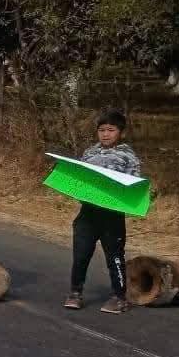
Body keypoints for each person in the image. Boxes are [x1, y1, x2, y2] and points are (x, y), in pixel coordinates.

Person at [64, 110, 141, 314]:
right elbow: (79, 178)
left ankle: (119, 297)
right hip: (87, 214)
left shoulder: (128, 156)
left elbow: (134, 186)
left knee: (114, 257)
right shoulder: (89, 152)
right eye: (101, 130)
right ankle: (75, 292)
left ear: (121, 133)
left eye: (111, 130)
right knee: (80, 255)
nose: (105, 134)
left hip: (112, 217)